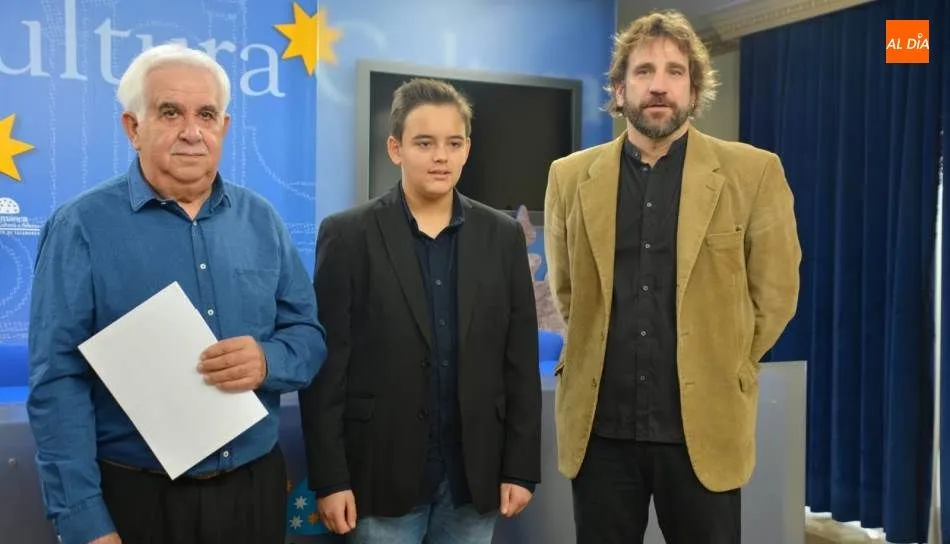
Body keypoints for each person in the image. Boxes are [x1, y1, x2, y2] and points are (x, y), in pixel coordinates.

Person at [27, 43, 327, 544]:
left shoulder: (263, 221)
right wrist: (84, 522)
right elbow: (58, 382)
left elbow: (308, 336)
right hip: (137, 500)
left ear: (224, 128)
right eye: (170, 112)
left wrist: (269, 361)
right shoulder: (79, 227)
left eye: (206, 114)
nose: (192, 131)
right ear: (132, 127)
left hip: (254, 491)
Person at [544, 9, 801, 544]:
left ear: (694, 87)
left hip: (703, 429)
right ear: (618, 89)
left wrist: (729, 360)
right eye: (642, 72)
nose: (658, 85)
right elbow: (568, 291)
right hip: (600, 434)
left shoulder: (753, 173)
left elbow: (776, 294)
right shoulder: (569, 177)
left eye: (674, 71)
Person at [299, 78, 542, 544]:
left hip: (474, 481)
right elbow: (328, 370)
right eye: (424, 143)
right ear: (395, 149)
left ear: (467, 149)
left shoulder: (502, 237)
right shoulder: (348, 235)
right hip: (379, 478)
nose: (441, 157)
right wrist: (330, 480)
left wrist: (521, 467)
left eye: (453, 143)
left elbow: (518, 362)